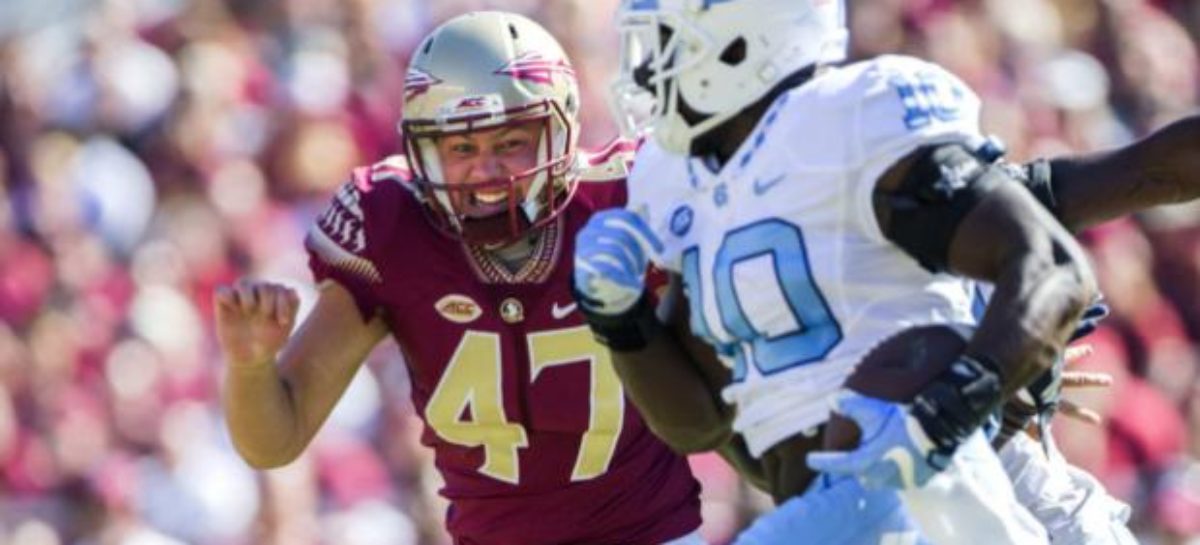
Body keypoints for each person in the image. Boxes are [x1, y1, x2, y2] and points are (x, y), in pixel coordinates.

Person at [571, 0, 1163, 542]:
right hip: (838, 505)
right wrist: (622, 322)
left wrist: (956, 403)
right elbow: (702, 426)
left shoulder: (853, 118)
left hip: (946, 489)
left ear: (742, 43)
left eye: (672, 45)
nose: (650, 73)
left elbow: (1052, 264)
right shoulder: (675, 177)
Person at [215, 12, 703, 545]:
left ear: (561, 128)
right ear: (421, 150)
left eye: (511, 141)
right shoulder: (390, 228)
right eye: (461, 149)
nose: (486, 170)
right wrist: (251, 364)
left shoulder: (630, 195)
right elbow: (276, 441)